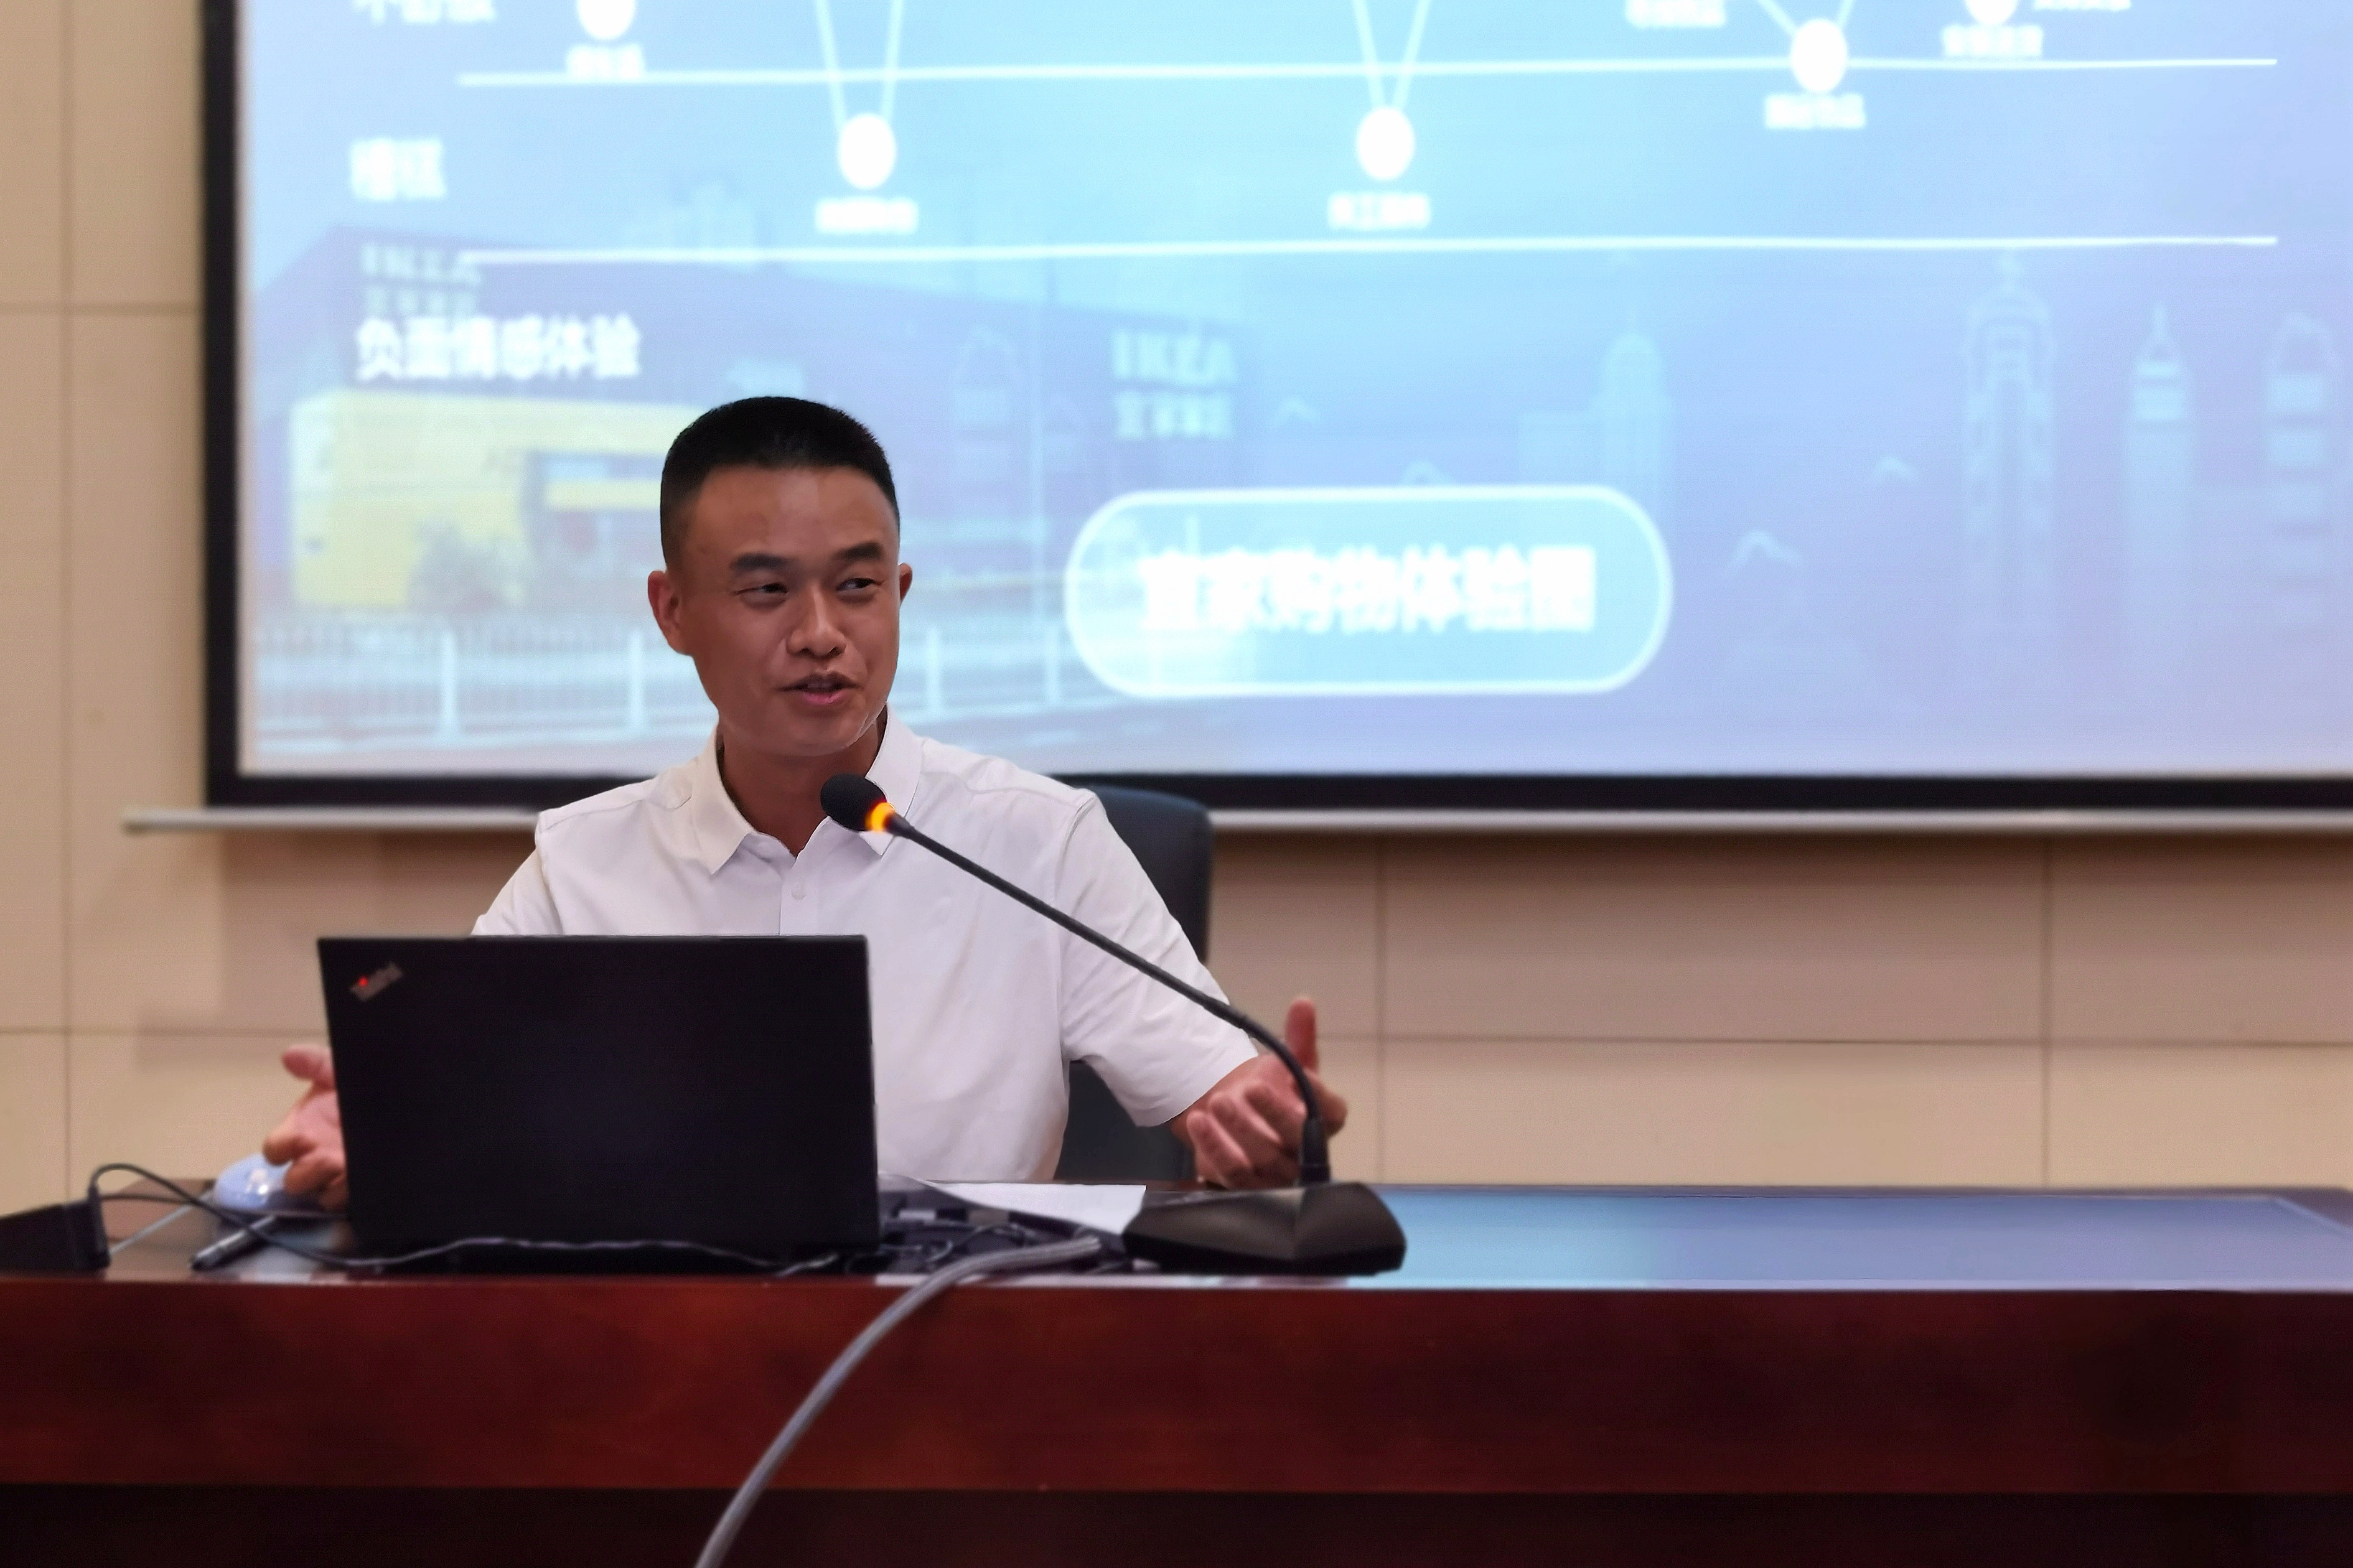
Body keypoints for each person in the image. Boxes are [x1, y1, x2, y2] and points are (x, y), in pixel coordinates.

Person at [263, 397, 1344, 1206]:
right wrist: (377, 1134)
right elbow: (447, 1115)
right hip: (665, 1361)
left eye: (858, 586)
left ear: (900, 594)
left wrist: (1264, 1128)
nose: (822, 633)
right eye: (767, 590)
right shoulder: (581, 869)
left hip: (965, 1357)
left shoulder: (1038, 844)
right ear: (672, 611)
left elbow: (1223, 1098)